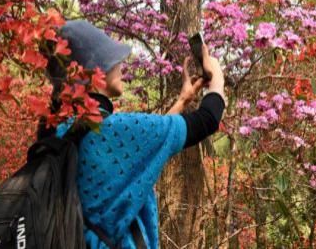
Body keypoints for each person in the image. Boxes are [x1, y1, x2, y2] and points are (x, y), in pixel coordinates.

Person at [44, 20, 226, 249]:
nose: (121, 63)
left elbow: (140, 151)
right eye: (111, 58)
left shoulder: (57, 131)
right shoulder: (111, 130)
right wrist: (217, 79)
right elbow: (207, 120)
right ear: (93, 72)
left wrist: (181, 101)